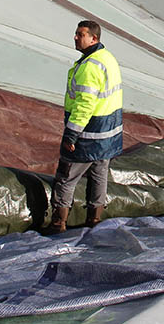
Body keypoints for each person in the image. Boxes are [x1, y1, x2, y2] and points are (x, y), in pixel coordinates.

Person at [44, 19, 123, 234]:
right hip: (108, 133)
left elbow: (84, 105)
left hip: (88, 134)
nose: (76, 37)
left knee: (66, 178)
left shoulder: (90, 67)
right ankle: (94, 221)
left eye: (80, 34)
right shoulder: (107, 58)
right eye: (76, 33)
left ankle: (58, 223)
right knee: (99, 176)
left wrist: (71, 135)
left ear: (93, 38)